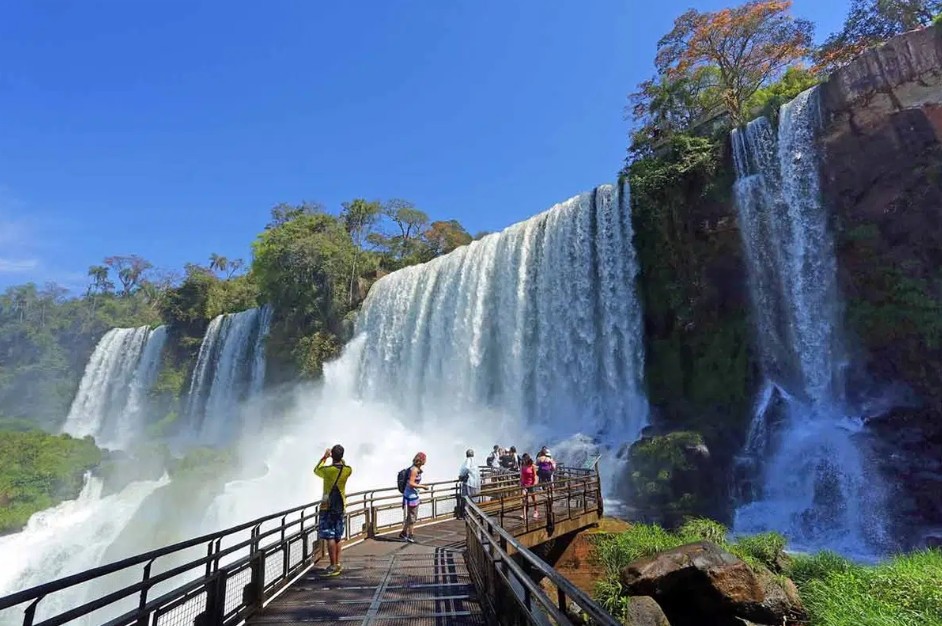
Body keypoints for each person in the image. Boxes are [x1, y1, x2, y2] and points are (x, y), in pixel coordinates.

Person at [314, 444, 352, 576]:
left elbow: (316, 470)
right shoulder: (347, 470)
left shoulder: (327, 471)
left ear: (332, 456)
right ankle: (337, 563)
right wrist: (338, 457)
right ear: (342, 456)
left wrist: (325, 457)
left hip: (327, 507)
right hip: (341, 506)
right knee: (338, 536)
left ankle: (333, 565)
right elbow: (344, 464)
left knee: (330, 536)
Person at [399, 452, 428, 543]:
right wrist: (423, 487)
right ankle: (410, 536)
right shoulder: (414, 470)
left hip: (410, 495)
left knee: (410, 515)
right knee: (412, 517)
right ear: (421, 460)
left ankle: (403, 533)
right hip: (411, 496)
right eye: (425, 459)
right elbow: (411, 483)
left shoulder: (414, 468)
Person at [457, 448, 481, 518]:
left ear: (466, 454)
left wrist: (461, 475)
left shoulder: (468, 460)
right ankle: (474, 514)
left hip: (469, 482)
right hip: (475, 483)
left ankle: (466, 514)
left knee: (466, 498)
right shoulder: (475, 461)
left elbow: (466, 468)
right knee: (474, 499)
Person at [519, 453, 539, 519]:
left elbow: (535, 475)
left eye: (524, 459)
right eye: (523, 459)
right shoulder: (522, 466)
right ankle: (524, 513)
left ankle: (536, 511)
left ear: (527, 459)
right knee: (524, 498)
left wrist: (535, 482)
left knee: (534, 499)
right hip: (524, 484)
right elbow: (521, 475)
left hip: (531, 484)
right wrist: (520, 482)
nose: (523, 460)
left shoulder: (532, 466)